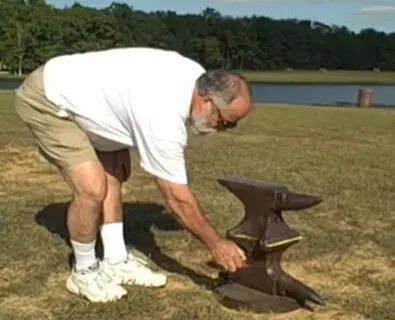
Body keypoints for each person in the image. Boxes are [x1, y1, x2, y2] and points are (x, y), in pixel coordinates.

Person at [14, 47, 253, 303]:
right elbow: (176, 198)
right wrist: (216, 243)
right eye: (227, 122)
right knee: (92, 188)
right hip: (49, 99)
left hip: (86, 96)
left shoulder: (197, 79)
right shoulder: (164, 114)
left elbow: (130, 95)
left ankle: (115, 260)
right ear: (207, 101)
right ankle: (83, 271)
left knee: (115, 172)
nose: (225, 129)